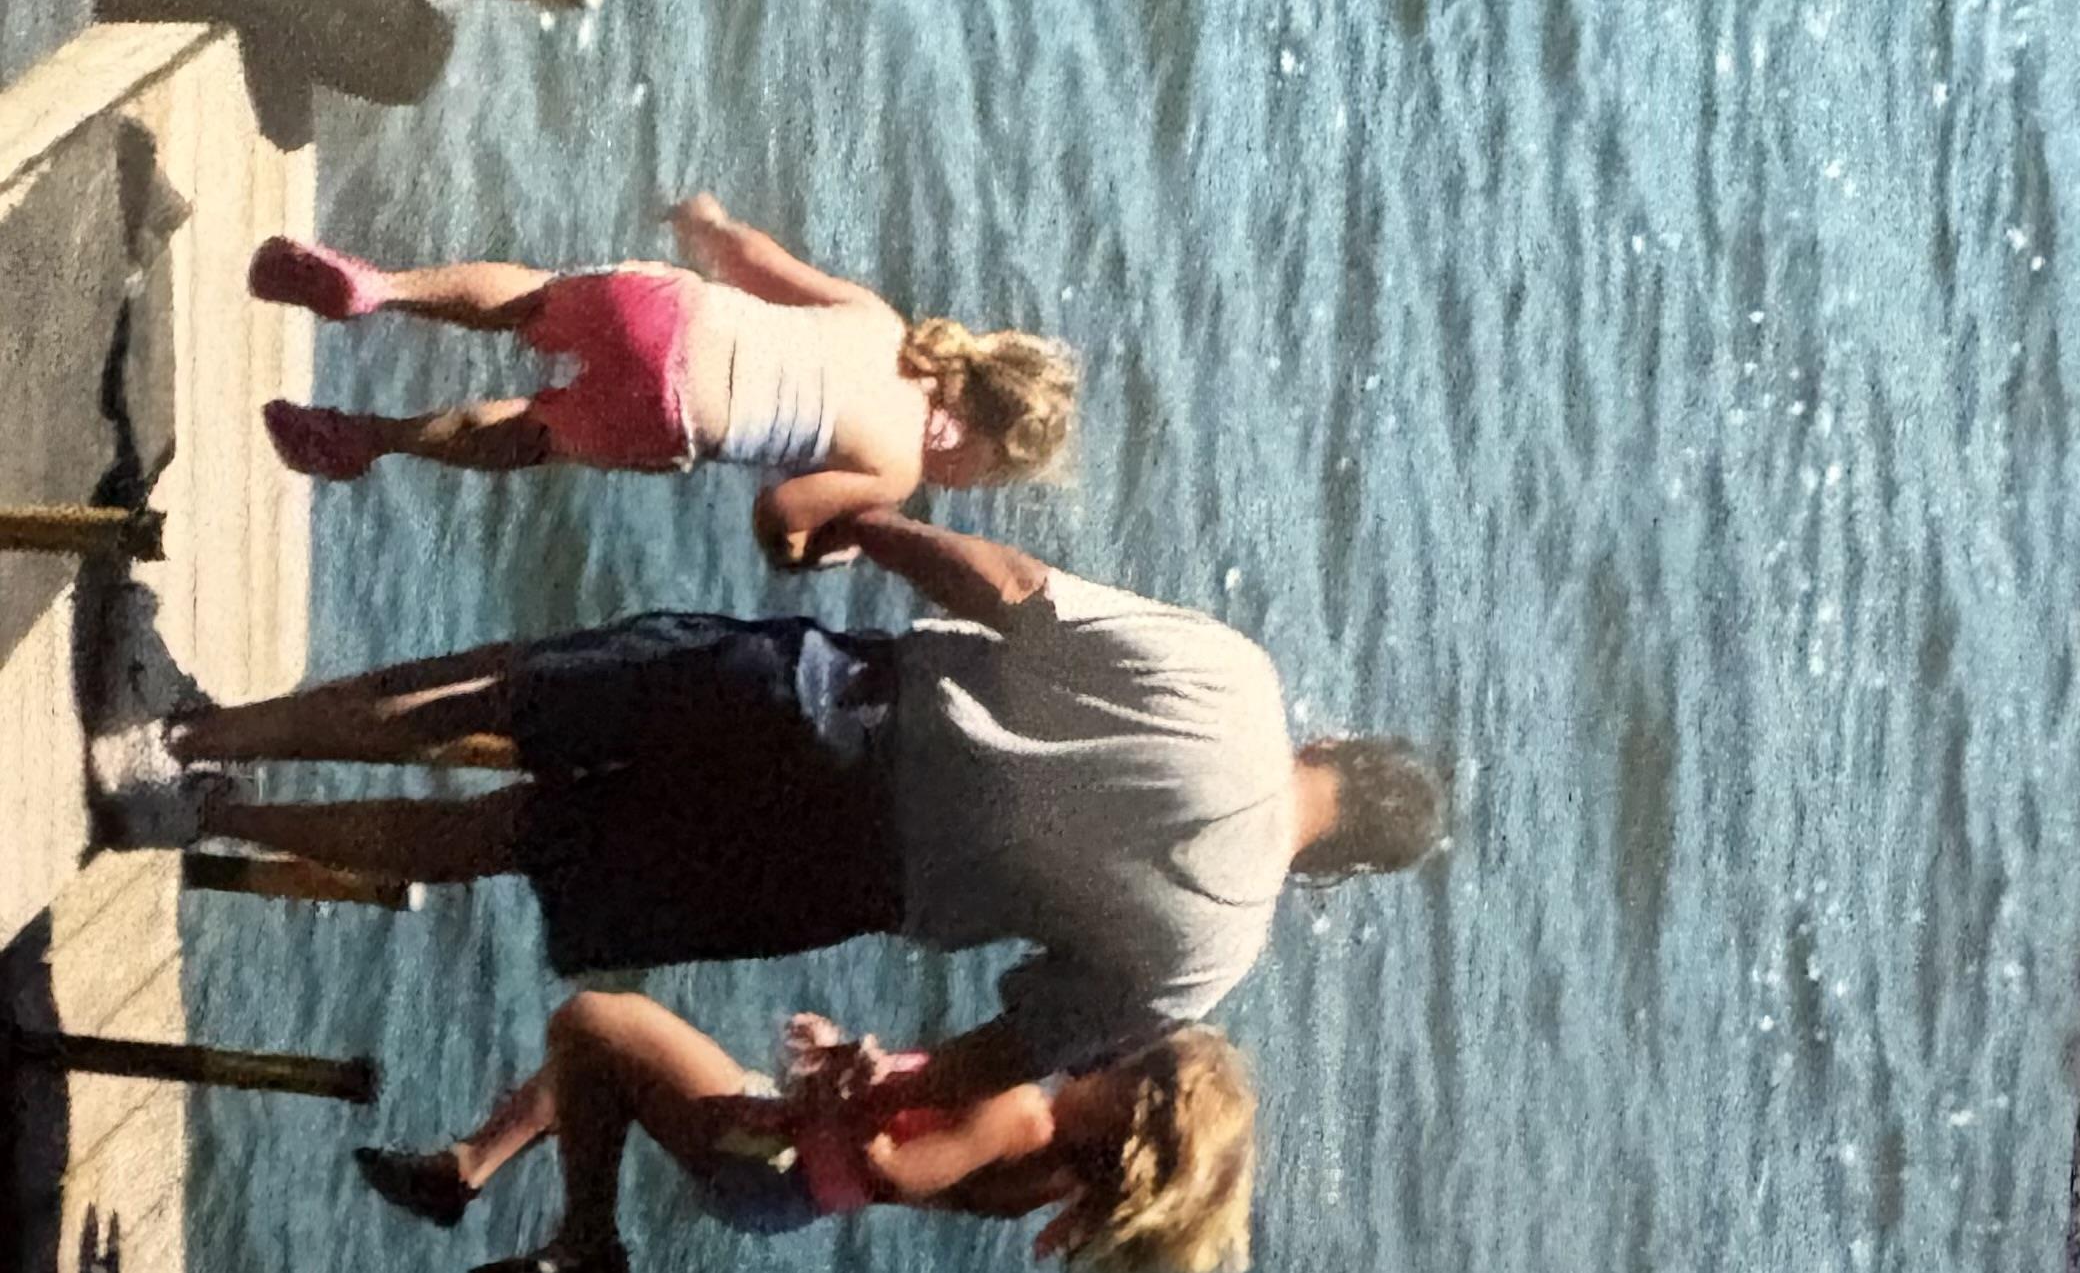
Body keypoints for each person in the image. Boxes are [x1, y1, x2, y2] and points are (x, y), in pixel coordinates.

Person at [87, 514, 1448, 1099]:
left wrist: (870, 522)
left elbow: (1014, 589)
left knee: (503, 691)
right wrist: (882, 1077)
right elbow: (1007, 1045)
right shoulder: (1214, 960)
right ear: (1346, 871)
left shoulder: (1237, 677)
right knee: (506, 841)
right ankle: (207, 811)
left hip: (828, 703)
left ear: (1339, 737)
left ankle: (186, 726)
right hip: (827, 878)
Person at [249, 193, 1077, 564]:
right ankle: (369, 437)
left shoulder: (882, 324)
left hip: (669, 309)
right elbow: (778, 511)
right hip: (674, 413)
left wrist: (707, 225)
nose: (973, 491)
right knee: (533, 431)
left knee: (530, 301)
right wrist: (808, 553)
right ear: (978, 444)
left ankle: (378, 287)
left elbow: (756, 262)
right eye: (994, 478)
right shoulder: (894, 470)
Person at [352, 996, 1256, 1273]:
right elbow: (907, 1151)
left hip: (771, 1162)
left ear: (1135, 1100)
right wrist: (852, 1071)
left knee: (592, 1019)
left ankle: (585, 1236)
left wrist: (841, 1090)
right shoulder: (1048, 1173)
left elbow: (895, 1169)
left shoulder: (1024, 1115)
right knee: (599, 1063)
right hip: (783, 1170)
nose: (1117, 1048)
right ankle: (464, 1174)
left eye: (1140, 1058)